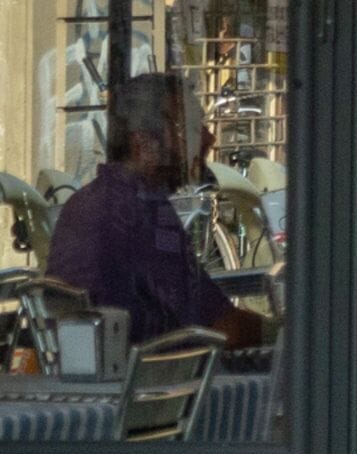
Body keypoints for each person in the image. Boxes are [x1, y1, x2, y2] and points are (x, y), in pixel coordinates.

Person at [49, 74, 266, 346]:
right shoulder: (142, 211)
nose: (209, 138)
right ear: (142, 143)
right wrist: (285, 332)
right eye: (188, 128)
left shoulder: (89, 200)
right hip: (143, 380)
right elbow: (220, 326)